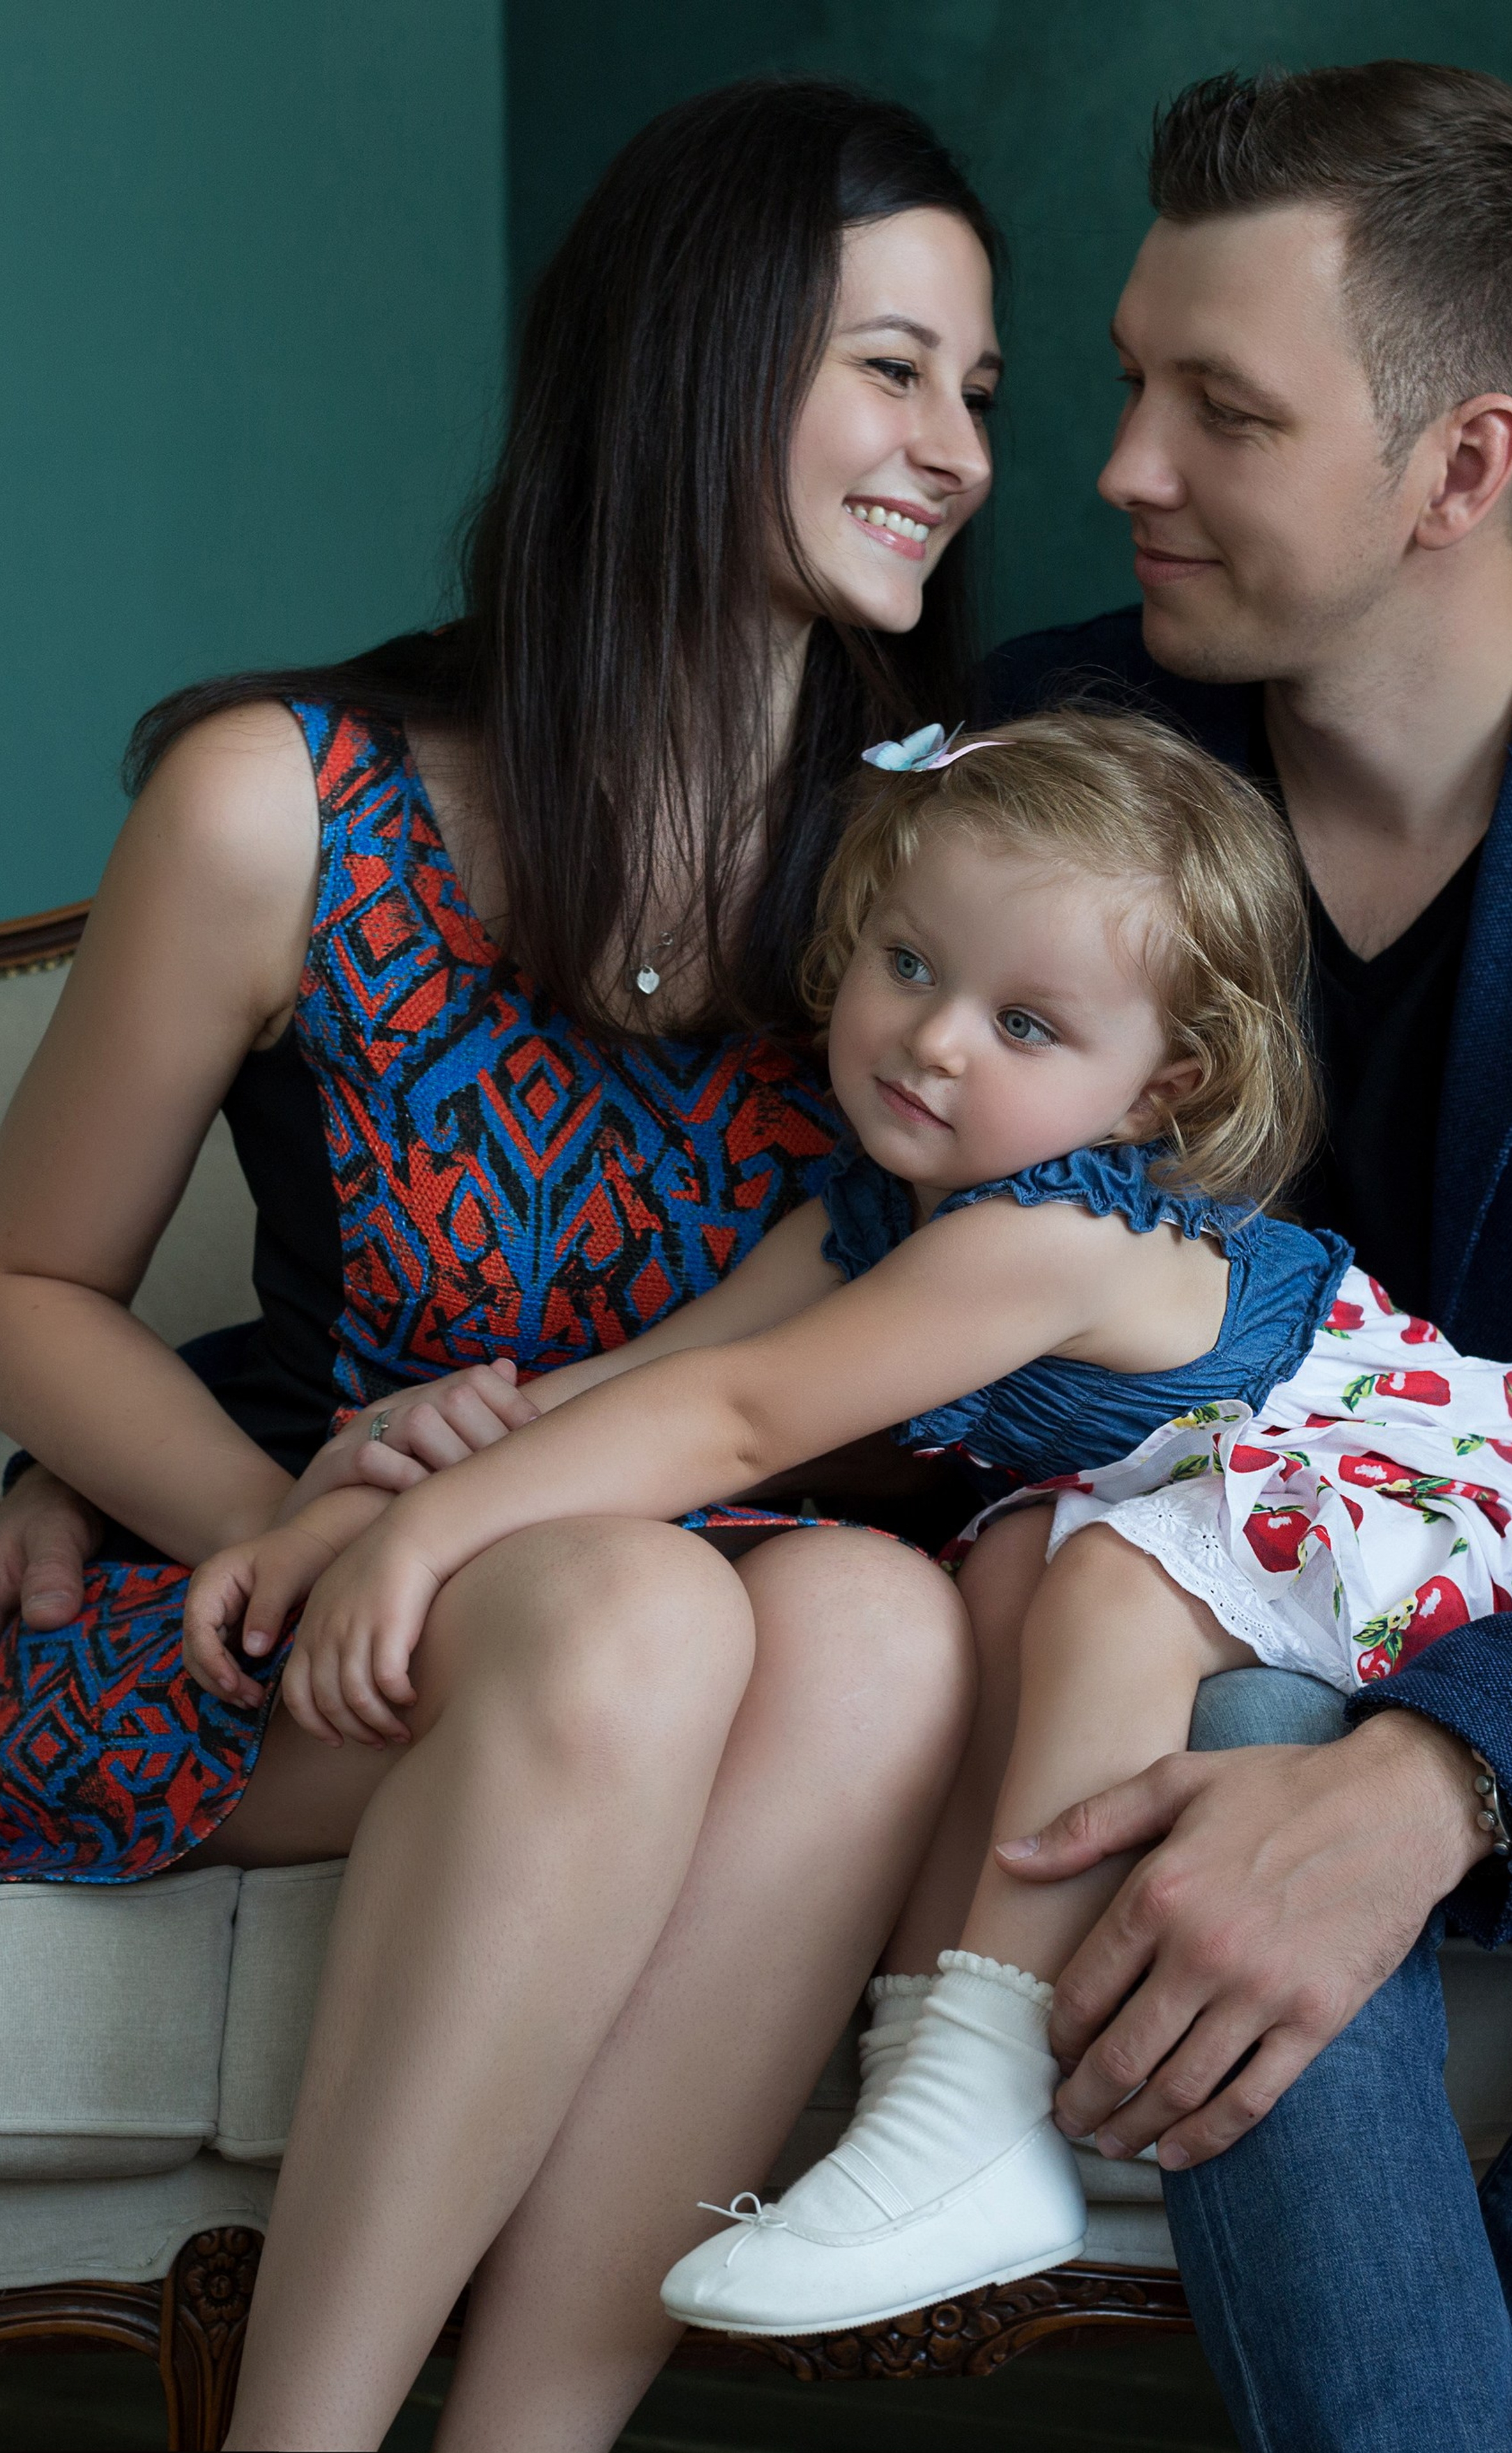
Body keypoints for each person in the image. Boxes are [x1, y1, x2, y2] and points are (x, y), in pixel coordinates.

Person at [0, 79, 1004, 2452]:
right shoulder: (284, 800)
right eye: (890, 365)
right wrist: (289, 1539)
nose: (955, 446)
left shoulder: (938, 867)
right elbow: (29, 1284)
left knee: (865, 1623)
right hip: (259, 1606)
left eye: (980, 389)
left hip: (683, 1587)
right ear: (697, 357)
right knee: (637, 1609)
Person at [181, 707, 1512, 2342]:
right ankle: (912, 2098)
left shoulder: (1048, 1239)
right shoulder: (872, 1213)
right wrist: (361, 1491)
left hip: (1462, 1499)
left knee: (1101, 1583)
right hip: (1235, 1508)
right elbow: (653, 1378)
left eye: (1025, 1023)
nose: (934, 1041)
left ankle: (975, 2116)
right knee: (1007, 1566)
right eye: (908, 965)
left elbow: (735, 1423)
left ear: (1163, 1084)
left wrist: (429, 1541)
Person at [977, 63, 1512, 2452]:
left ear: (1461, 466)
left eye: (1218, 410)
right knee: (1244, 1723)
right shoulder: (1039, 751)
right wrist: (150, 1438)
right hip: (1222, 1675)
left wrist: (1454, 1773)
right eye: (1132, 381)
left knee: (1298, 1749)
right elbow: (775, 1211)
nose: (1121, 463)